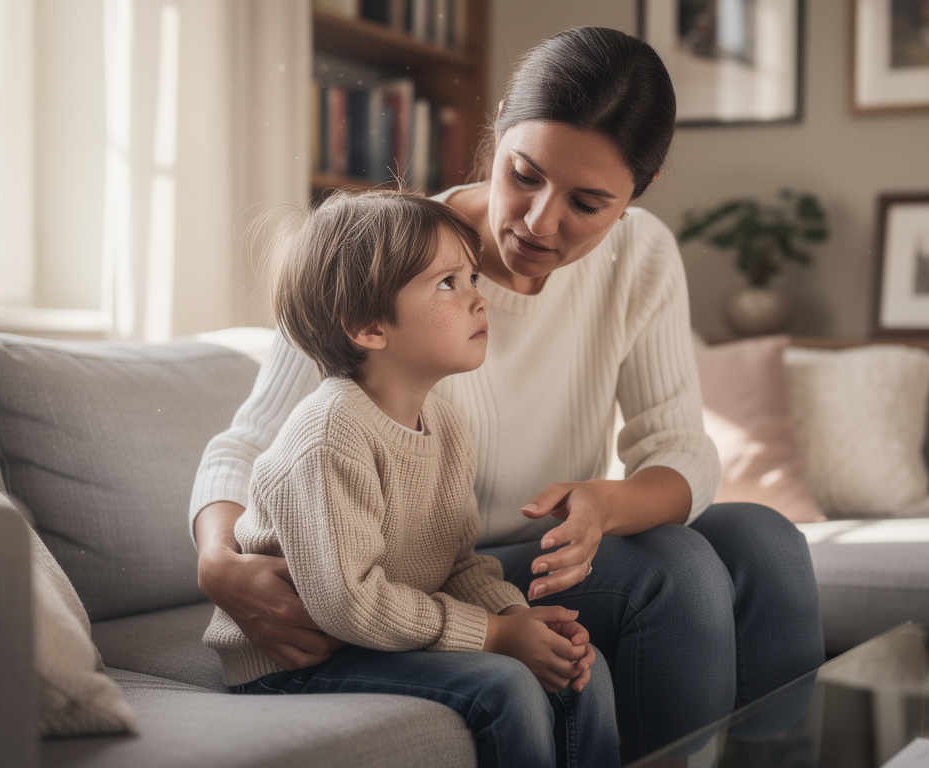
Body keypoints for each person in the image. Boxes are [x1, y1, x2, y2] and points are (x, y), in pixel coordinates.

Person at [192, 26, 824, 762]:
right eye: (524, 173)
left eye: (588, 203)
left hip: (531, 553)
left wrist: (606, 504)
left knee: (766, 542)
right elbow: (251, 444)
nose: (538, 220)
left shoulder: (642, 254)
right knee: (674, 570)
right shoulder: (389, 256)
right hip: (432, 564)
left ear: (637, 194)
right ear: (497, 133)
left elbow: (680, 447)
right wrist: (216, 560)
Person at [203, 188, 619, 768]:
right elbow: (350, 604)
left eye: (473, 278)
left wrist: (513, 617)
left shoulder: (445, 425)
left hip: (375, 637)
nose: (479, 300)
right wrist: (494, 639)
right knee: (507, 686)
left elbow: (456, 564)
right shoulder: (329, 435)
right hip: (301, 661)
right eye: (449, 284)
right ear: (369, 327)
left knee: (581, 675)